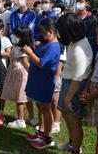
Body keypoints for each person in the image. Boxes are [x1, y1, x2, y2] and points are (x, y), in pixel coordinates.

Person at [56, 13, 93, 154]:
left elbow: (78, 78)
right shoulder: (75, 42)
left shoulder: (79, 48)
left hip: (74, 87)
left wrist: (68, 98)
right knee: (67, 117)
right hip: (68, 81)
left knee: (74, 122)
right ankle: (72, 143)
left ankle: (76, 150)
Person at [24, 18, 61, 149]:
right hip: (38, 81)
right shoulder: (47, 43)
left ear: (51, 32)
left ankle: (47, 137)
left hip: (45, 82)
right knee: (41, 108)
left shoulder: (54, 46)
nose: (42, 37)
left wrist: (30, 53)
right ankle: (41, 132)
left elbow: (41, 63)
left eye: (44, 34)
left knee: (46, 110)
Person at [1, 25, 36, 128]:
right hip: (16, 72)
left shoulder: (22, 49)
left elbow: (26, 65)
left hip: (20, 75)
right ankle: (31, 118)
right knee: (26, 98)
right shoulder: (17, 46)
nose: (13, 36)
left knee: (20, 98)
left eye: (15, 35)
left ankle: (20, 120)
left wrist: (33, 75)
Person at [80, 19, 98, 154]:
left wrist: (91, 96)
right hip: (94, 91)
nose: (97, 37)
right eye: (97, 33)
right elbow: (94, 71)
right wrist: (86, 90)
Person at [0, 20, 12, 125]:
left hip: (1, 67)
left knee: (0, 90)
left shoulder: (5, 39)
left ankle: (0, 112)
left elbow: (8, 54)